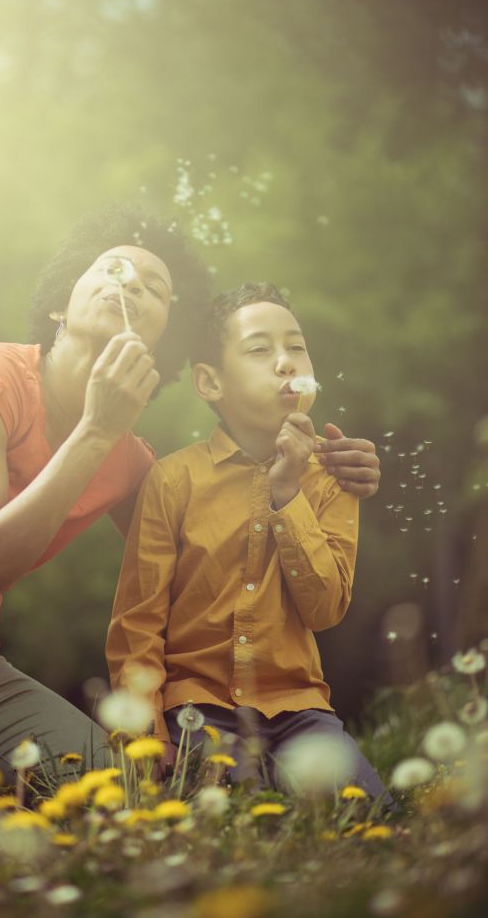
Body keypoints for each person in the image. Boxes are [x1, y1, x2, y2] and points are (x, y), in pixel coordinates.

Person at [0, 212, 380, 853]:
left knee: (138, 815)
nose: (128, 281)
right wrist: (96, 431)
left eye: (154, 287)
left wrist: (311, 478)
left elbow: (212, 559)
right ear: (61, 304)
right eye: (110, 267)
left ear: (162, 346)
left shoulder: (132, 464)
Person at [106, 282, 388, 801]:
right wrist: (147, 735)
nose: (285, 362)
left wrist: (287, 493)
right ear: (210, 382)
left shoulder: (332, 475)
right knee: (232, 815)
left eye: (296, 346)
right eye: (260, 349)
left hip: (300, 710)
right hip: (198, 709)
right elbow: (138, 622)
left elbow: (325, 607)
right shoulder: (172, 481)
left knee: (368, 818)